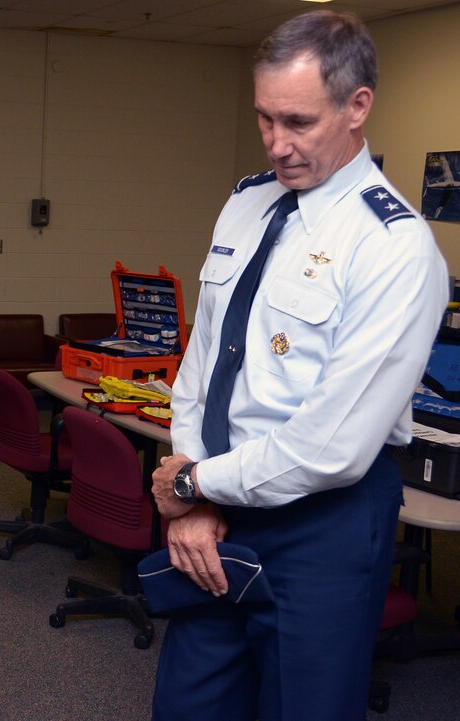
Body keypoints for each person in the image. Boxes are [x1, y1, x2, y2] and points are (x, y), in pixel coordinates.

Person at [148, 10, 448, 721]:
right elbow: (202, 361)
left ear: (357, 106)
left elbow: (329, 448)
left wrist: (193, 480)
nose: (277, 144)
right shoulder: (247, 202)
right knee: (186, 704)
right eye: (263, 119)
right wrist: (197, 495)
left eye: (298, 122)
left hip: (323, 524)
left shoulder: (394, 249)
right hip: (217, 509)